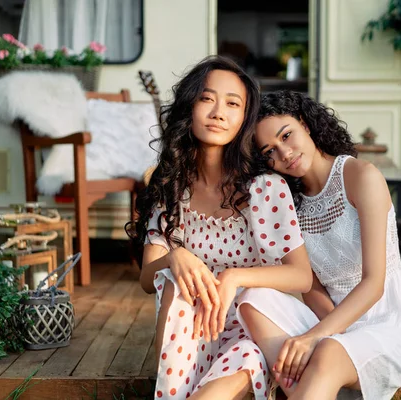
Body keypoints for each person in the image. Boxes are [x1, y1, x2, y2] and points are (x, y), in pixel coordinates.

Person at [128, 59, 312, 400]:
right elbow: (145, 280)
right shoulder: (171, 188)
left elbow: (301, 276)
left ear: (244, 119)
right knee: (175, 278)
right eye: (206, 99)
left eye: (232, 103)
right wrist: (175, 258)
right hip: (191, 331)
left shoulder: (265, 189)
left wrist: (234, 277)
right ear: (189, 107)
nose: (218, 112)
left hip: (252, 332)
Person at [239, 90, 401, 400]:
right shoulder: (287, 202)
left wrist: (315, 337)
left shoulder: (360, 176)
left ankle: (319, 381)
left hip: (387, 318)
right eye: (269, 152)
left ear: (305, 123)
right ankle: (319, 386)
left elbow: (375, 284)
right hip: (330, 320)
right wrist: (327, 333)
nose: (284, 154)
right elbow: (310, 287)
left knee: (326, 350)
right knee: (252, 300)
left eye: (287, 136)